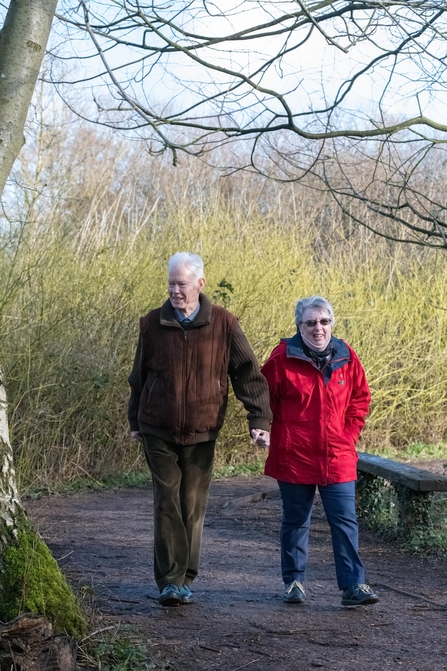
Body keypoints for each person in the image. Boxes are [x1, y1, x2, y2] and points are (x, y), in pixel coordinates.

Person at [128, 252, 271, 606]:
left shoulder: (223, 323)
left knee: (191, 503)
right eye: (170, 284)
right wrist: (135, 421)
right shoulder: (151, 324)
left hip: (203, 429)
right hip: (157, 427)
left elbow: (247, 373)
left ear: (200, 284)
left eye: (181, 284)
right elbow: (138, 377)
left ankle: (186, 576)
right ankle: (169, 582)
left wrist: (259, 420)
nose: (175, 291)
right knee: (167, 501)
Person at [261, 295, 379, 607]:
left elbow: (360, 398)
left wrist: (349, 433)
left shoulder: (347, 356)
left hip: (337, 455)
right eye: (311, 322)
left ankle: (353, 585)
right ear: (299, 326)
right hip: (294, 456)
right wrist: (264, 430)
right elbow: (262, 400)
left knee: (345, 520)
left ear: (332, 324)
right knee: (296, 519)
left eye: (324, 322)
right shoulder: (280, 359)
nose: (318, 328)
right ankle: (294, 582)